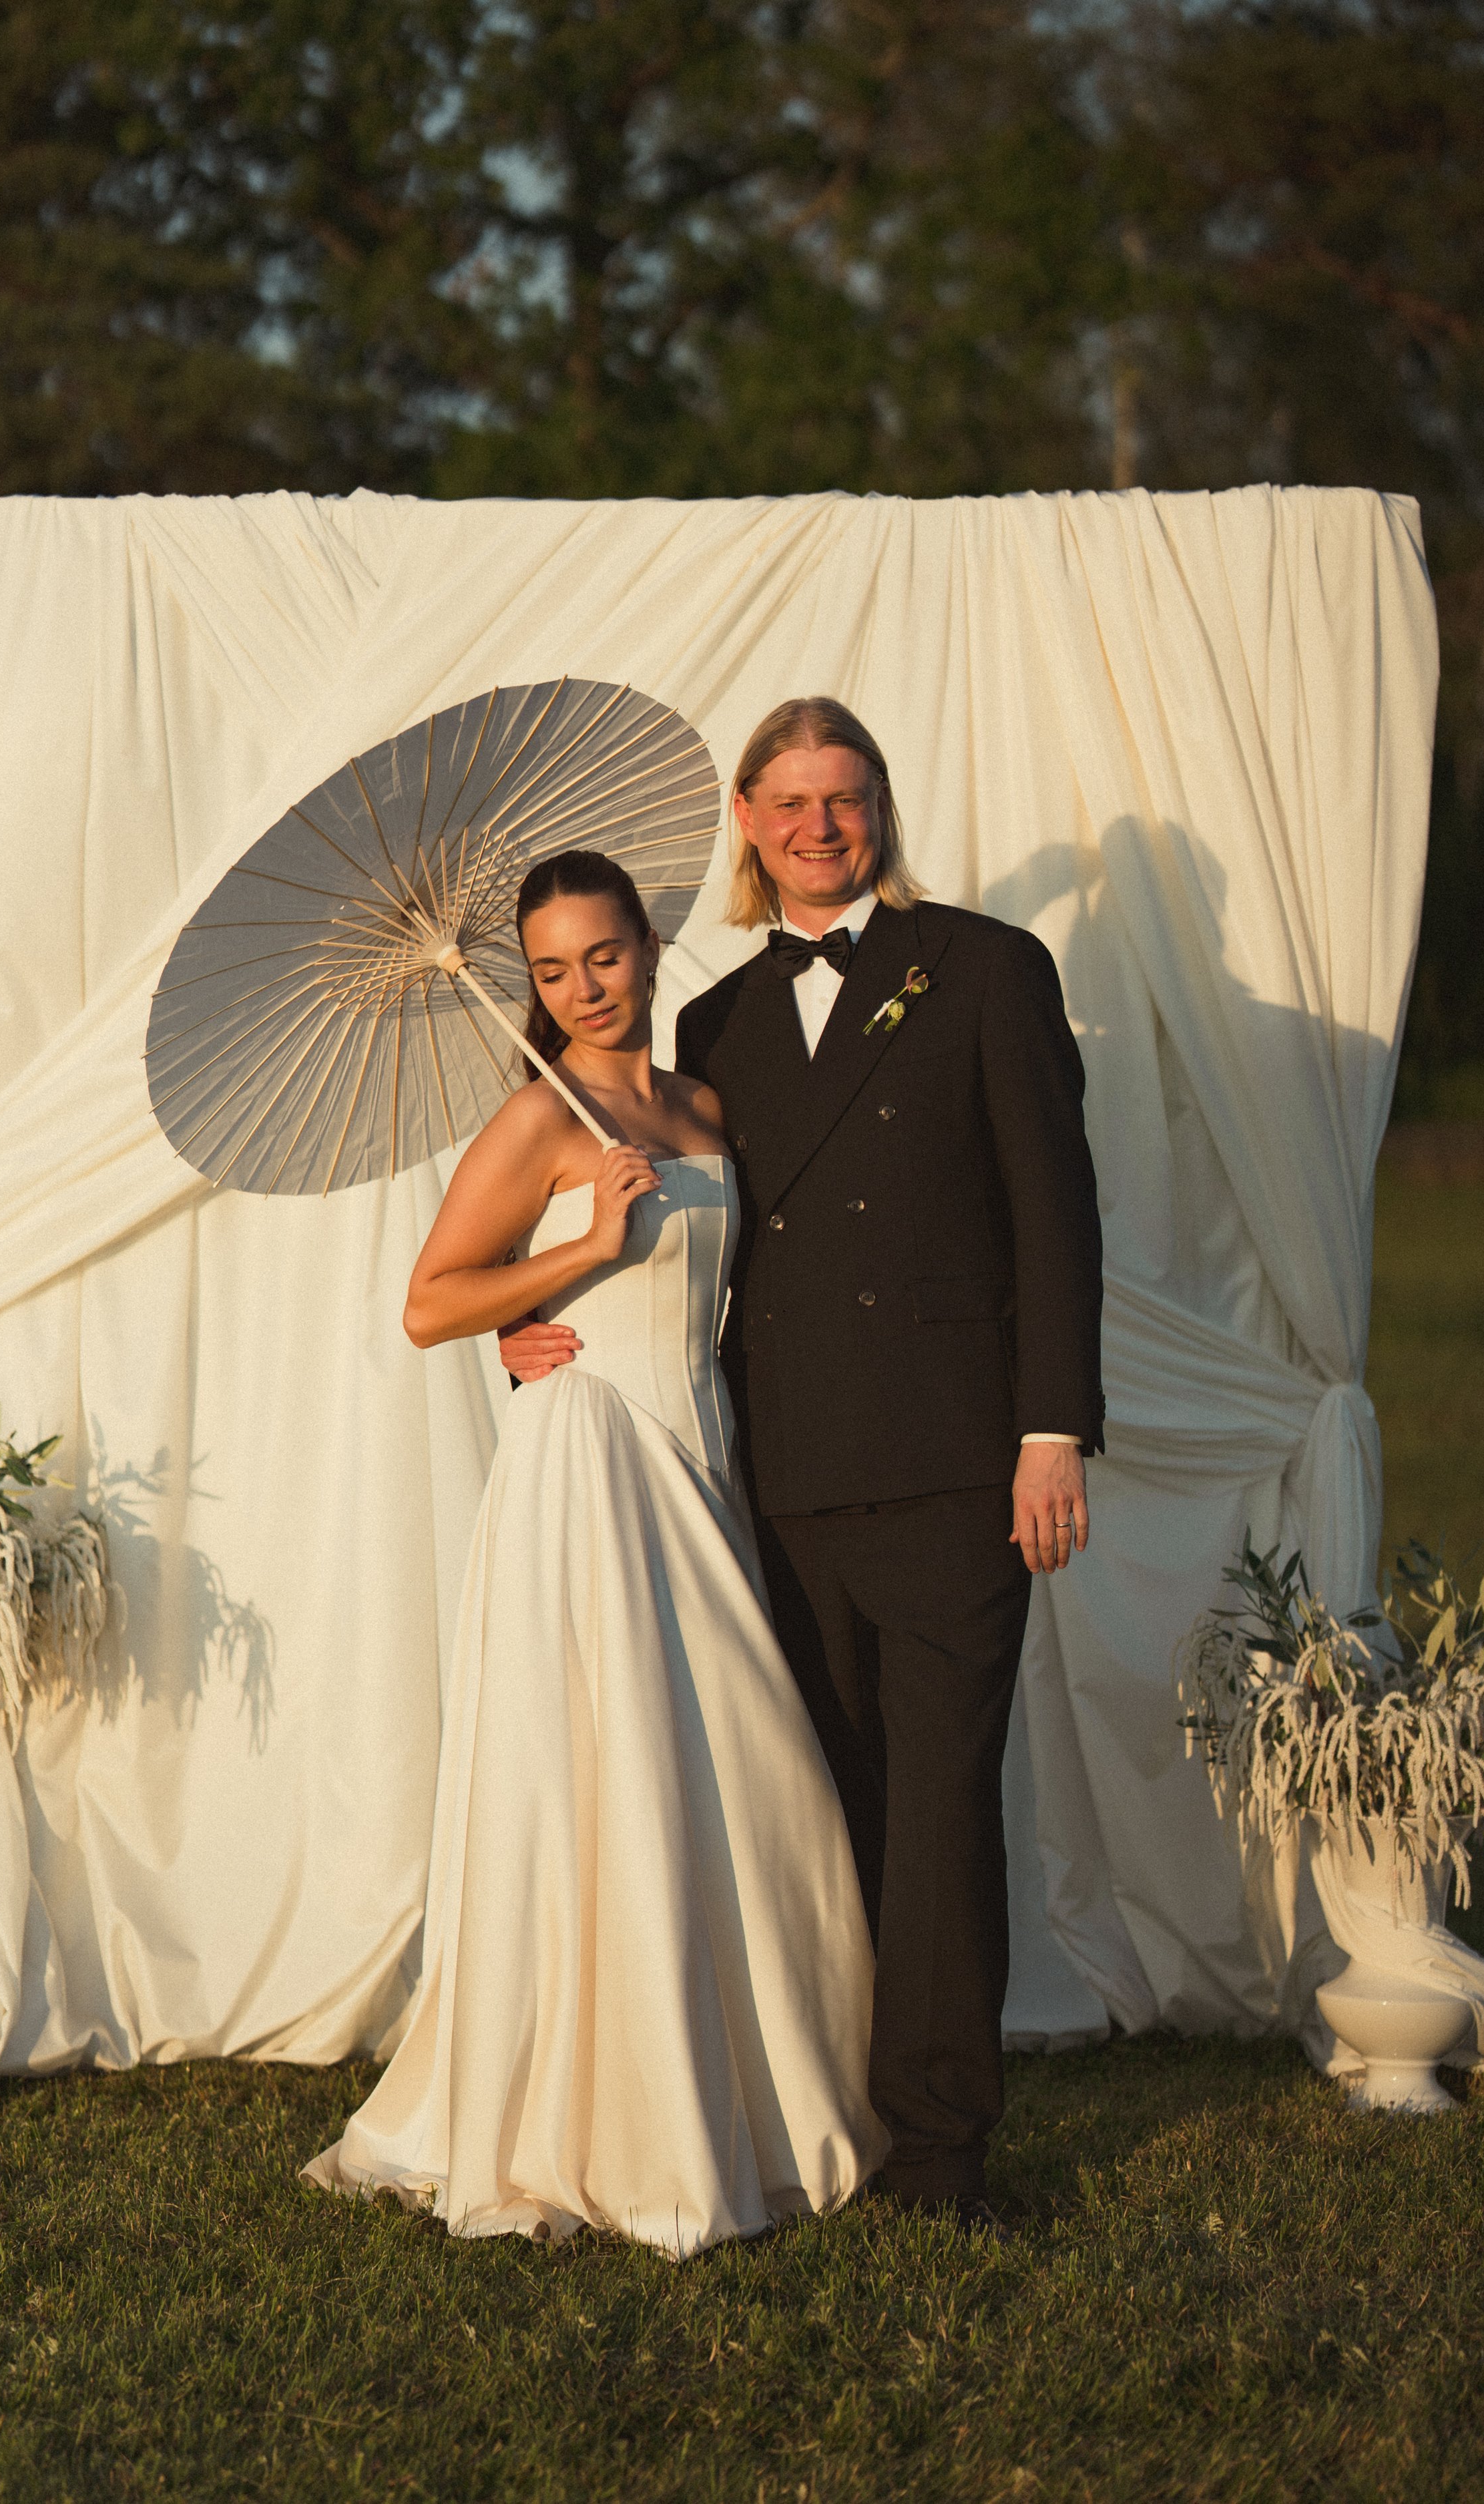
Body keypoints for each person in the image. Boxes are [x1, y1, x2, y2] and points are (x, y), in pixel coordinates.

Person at [503, 700, 1104, 2228]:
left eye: (843, 797)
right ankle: (830, 2110)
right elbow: (672, 1234)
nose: (817, 825)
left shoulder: (984, 968)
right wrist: (536, 1312)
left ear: (878, 809)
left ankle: (943, 2151)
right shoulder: (705, 1029)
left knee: (943, 1807)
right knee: (830, 1805)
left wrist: (1050, 1431)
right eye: (788, 802)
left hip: (960, 1464)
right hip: (772, 1477)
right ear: (749, 825)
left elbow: (1054, 1215)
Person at [304, 848, 885, 2257]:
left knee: (733, 1774)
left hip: (704, 1458)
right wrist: (571, 1260)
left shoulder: (695, 1099)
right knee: (608, 1774)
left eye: (605, 956)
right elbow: (430, 1303)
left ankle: (746, 2090)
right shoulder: (531, 1121)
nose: (583, 988)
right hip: (593, 1471)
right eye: (554, 969)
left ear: (646, 942)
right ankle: (604, 2117)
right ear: (533, 978)